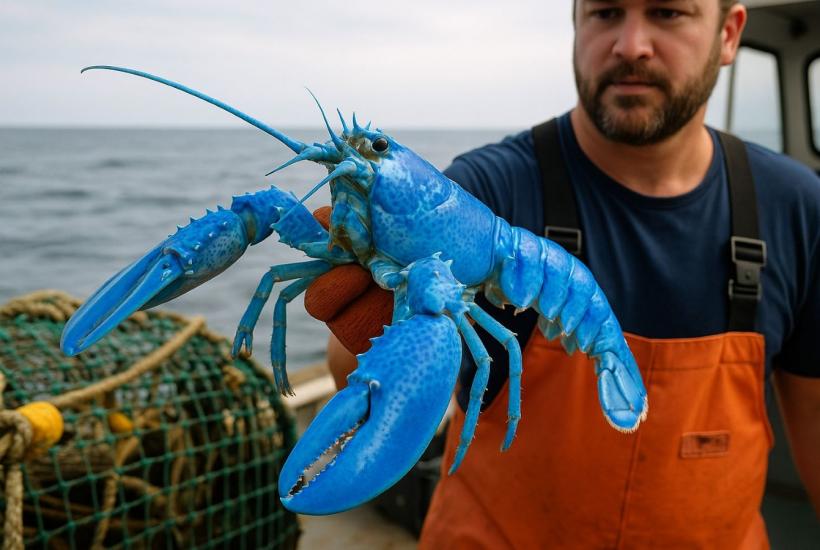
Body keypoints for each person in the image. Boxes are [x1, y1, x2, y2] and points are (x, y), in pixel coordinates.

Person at [305, 0, 820, 547]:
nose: (630, 44)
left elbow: (813, 415)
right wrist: (361, 320)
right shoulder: (485, 184)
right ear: (576, 25)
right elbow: (348, 366)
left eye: (669, 13)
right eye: (605, 13)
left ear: (728, 33)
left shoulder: (798, 209)